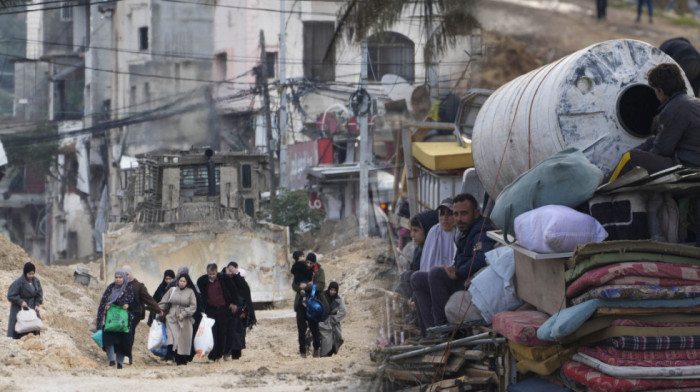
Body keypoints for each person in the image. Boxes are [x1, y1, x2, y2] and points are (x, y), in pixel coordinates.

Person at [411, 193, 496, 331]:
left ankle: (442, 327)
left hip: (473, 283)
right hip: (463, 277)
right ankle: (429, 331)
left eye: (464, 214)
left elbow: (480, 258)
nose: (459, 219)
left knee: (436, 273)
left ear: (476, 213)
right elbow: (460, 259)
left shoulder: (482, 230)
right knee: (416, 278)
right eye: (456, 214)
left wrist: (457, 272)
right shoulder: (463, 232)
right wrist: (452, 268)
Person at [608, 63, 700, 182]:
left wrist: (641, 155)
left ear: (660, 91)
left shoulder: (674, 108)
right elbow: (661, 139)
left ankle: (602, 189)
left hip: (687, 168)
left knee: (630, 157)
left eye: (655, 91)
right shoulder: (693, 103)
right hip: (694, 164)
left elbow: (662, 150)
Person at [196, 263, 239, 362]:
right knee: (212, 333)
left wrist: (234, 303)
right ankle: (212, 356)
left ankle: (220, 354)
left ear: (217, 272)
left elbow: (233, 291)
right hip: (210, 310)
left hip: (223, 309)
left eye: (213, 274)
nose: (211, 276)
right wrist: (202, 309)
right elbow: (199, 296)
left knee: (222, 332)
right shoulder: (202, 281)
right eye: (210, 274)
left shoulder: (224, 279)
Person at [96, 270, 137, 369]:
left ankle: (119, 362)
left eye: (120, 277)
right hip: (110, 319)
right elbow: (103, 301)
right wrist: (106, 307)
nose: (118, 279)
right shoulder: (111, 287)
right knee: (109, 339)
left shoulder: (129, 288)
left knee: (121, 341)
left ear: (124, 278)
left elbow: (135, 303)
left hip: (124, 320)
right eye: (116, 277)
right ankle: (111, 361)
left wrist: (128, 305)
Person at [122, 265, 163, 365]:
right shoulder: (120, 285)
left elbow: (148, 299)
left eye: (127, 274)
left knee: (129, 331)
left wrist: (158, 309)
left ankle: (127, 356)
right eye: (123, 275)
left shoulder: (139, 286)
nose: (125, 277)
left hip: (135, 313)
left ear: (131, 274)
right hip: (122, 313)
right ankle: (120, 354)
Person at [293, 252, 328, 358]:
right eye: (307, 262)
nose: (308, 264)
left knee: (314, 328)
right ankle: (302, 351)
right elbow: (294, 285)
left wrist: (308, 286)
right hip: (301, 302)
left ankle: (316, 347)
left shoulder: (319, 271)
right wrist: (300, 288)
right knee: (301, 328)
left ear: (315, 263)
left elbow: (321, 285)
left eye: (311, 263)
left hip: (314, 304)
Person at [159, 273, 197, 366]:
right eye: (180, 281)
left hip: (185, 320)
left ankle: (181, 359)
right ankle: (169, 356)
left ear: (187, 282)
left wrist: (184, 313)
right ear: (177, 281)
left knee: (182, 340)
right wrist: (158, 310)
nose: (182, 283)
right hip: (171, 317)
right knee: (171, 337)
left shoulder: (190, 292)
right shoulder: (172, 290)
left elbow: (193, 306)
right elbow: (163, 302)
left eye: (184, 281)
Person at [223, 261, 256, 360]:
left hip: (240, 311)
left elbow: (246, 298)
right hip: (228, 311)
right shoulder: (225, 281)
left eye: (231, 270)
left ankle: (236, 354)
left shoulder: (241, 282)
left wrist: (243, 310)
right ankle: (227, 352)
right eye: (228, 270)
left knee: (238, 333)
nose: (230, 273)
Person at [7, 262, 43, 339]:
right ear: (25, 272)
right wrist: (21, 301)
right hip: (19, 308)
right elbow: (10, 295)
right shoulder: (18, 282)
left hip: (32, 306)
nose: (31, 276)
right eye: (29, 274)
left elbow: (39, 294)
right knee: (21, 326)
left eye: (33, 273)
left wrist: (37, 304)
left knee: (33, 325)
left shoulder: (36, 281)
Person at [419, 198, 457, 272]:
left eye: (449, 213)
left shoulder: (458, 232)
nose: (445, 218)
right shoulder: (434, 231)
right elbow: (427, 260)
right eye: (442, 214)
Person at [319, 281, 346, 357]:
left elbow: (343, 311)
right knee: (326, 338)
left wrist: (334, 319)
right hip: (322, 320)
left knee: (338, 336)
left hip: (333, 321)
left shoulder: (339, 299)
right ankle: (324, 354)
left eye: (334, 290)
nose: (332, 292)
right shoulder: (322, 296)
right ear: (329, 289)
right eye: (331, 290)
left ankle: (331, 351)